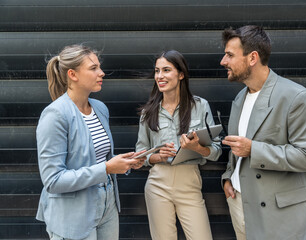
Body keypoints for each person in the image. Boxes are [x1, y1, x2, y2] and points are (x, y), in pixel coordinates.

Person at [219, 26, 306, 239]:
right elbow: (237, 150)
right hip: (240, 205)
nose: (223, 61)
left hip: (279, 216)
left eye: (230, 55)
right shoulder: (239, 100)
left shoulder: (296, 97)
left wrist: (253, 149)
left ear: (252, 58)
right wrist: (228, 176)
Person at [36, 44, 146, 240]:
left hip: (107, 206)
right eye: (93, 68)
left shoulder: (100, 108)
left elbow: (98, 158)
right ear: (73, 74)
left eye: (99, 67)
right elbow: (53, 181)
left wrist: (125, 162)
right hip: (72, 216)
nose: (102, 73)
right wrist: (106, 168)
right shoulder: (55, 115)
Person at [135, 50, 222, 240]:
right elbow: (139, 155)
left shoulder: (200, 106)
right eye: (157, 71)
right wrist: (157, 156)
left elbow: (216, 151)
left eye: (166, 70)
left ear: (181, 74)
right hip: (158, 183)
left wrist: (196, 148)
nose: (160, 76)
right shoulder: (148, 112)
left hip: (189, 183)